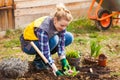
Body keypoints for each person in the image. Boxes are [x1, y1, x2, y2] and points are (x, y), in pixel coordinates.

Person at [20, 3, 73, 76]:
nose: (64, 28)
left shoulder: (61, 25)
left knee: (69, 37)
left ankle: (46, 60)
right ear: (55, 20)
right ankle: (39, 61)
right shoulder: (43, 28)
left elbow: (61, 44)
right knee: (54, 39)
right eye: (62, 25)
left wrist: (63, 60)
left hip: (41, 42)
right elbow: (45, 50)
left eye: (66, 26)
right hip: (28, 45)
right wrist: (55, 70)